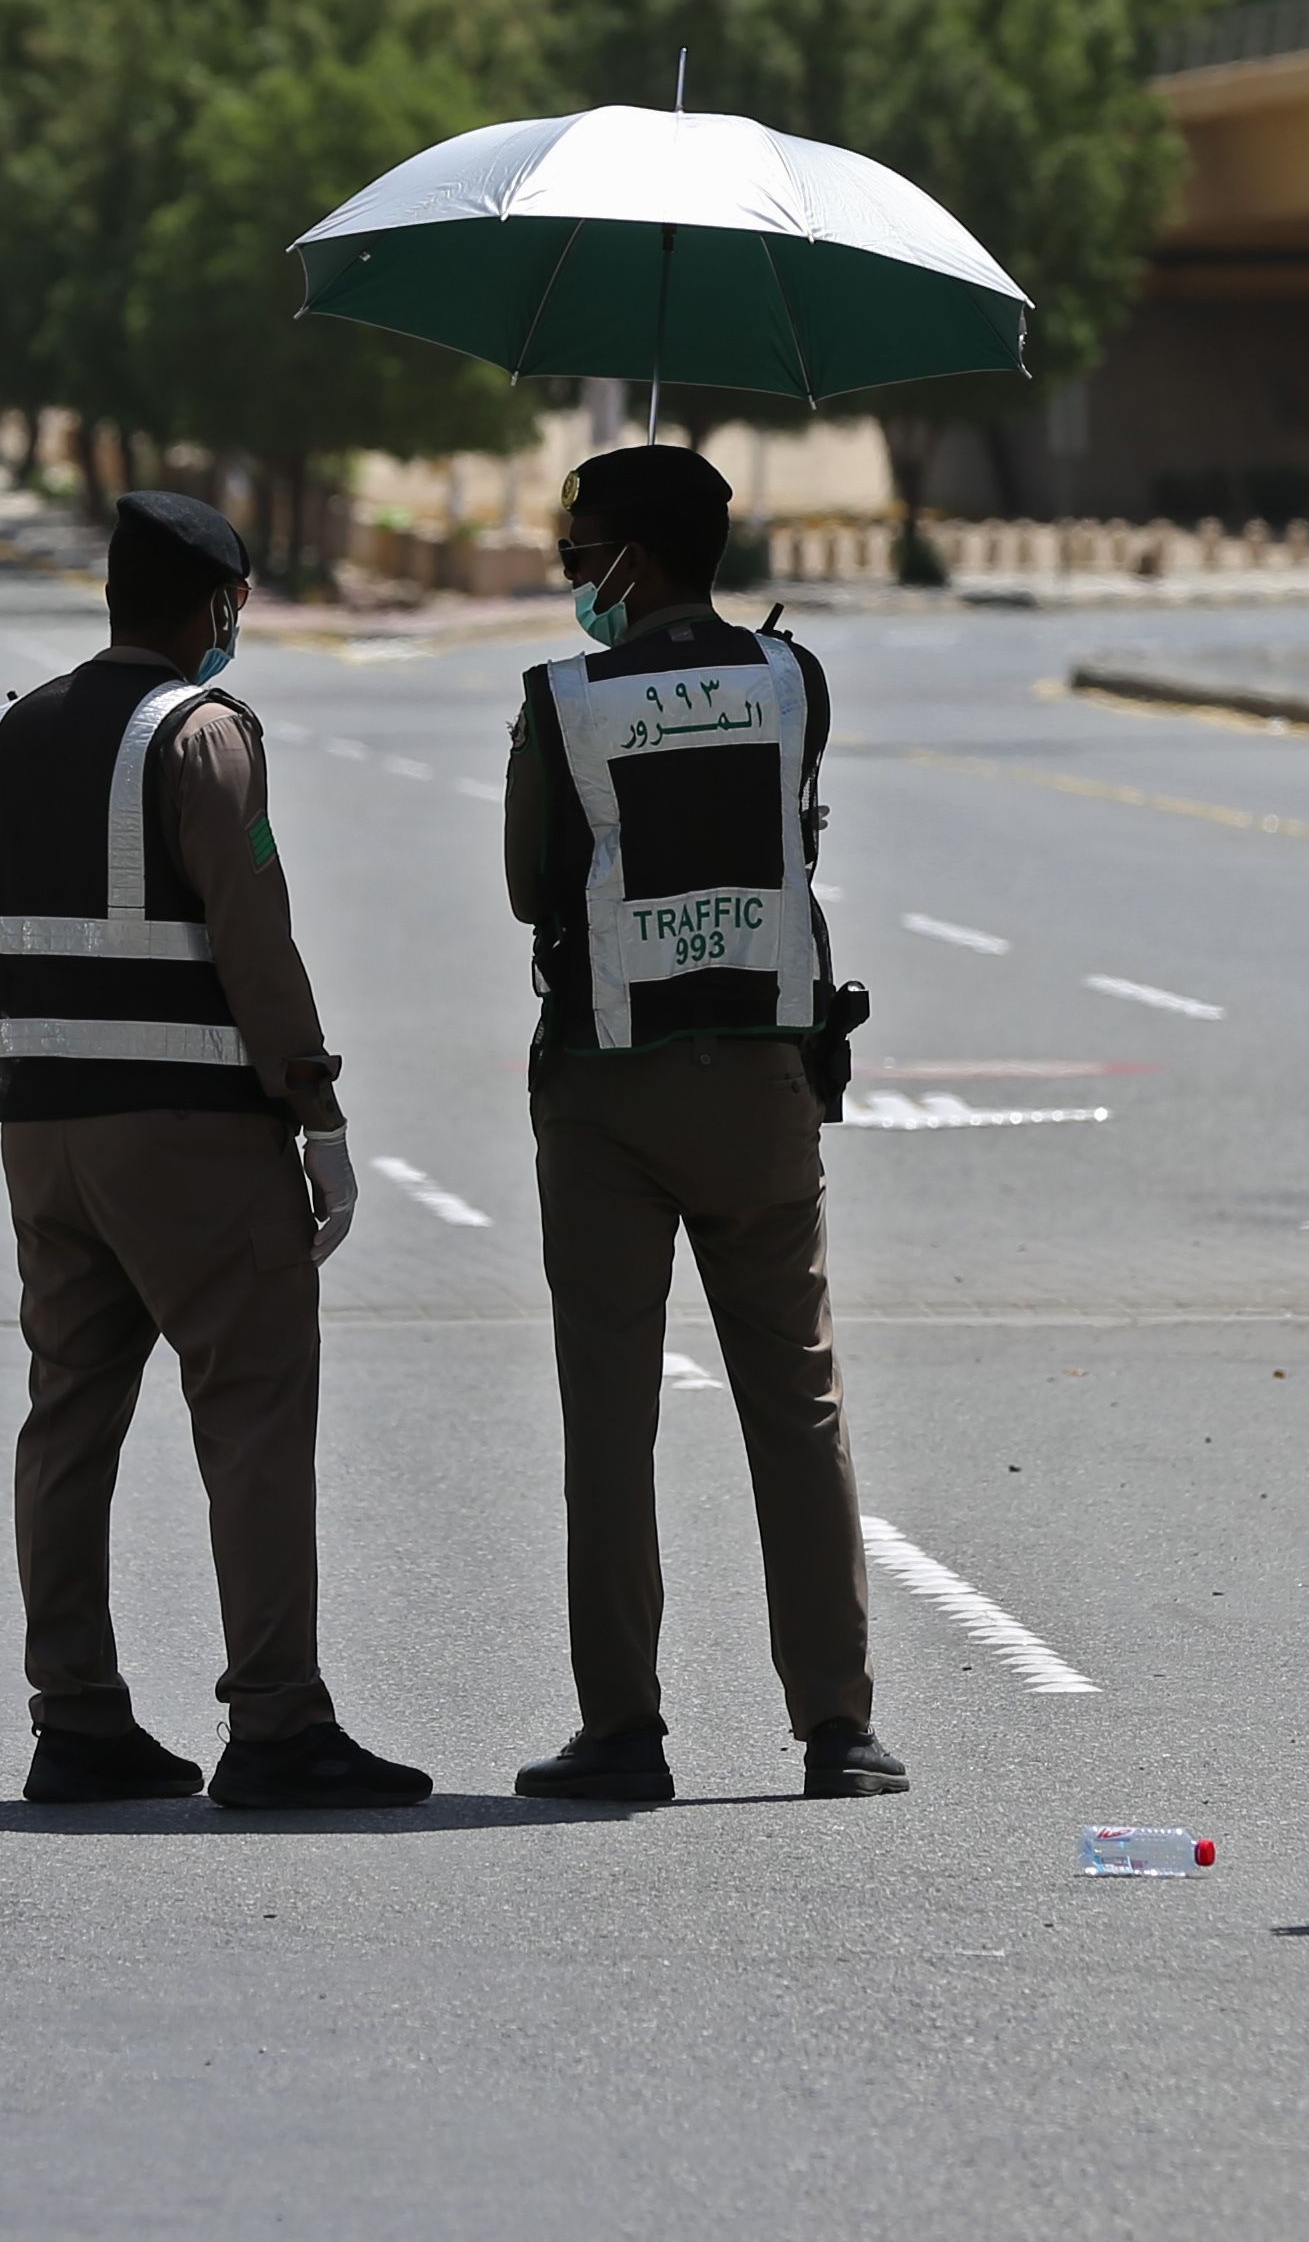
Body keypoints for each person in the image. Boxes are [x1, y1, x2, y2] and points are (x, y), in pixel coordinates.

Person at [0, 490, 432, 1812]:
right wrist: (314, 1108)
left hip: (43, 1131)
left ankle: (78, 1717)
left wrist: (72, 1023)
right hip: (195, 1139)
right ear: (216, 607)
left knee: (68, 1414)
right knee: (255, 1409)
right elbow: (253, 935)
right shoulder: (203, 735)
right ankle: (276, 1722)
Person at [502, 444, 903, 1804]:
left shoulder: (565, 701)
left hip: (610, 1081)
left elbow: (529, 881)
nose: (574, 583)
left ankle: (624, 1731)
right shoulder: (797, 680)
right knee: (796, 1397)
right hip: (761, 1074)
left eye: (581, 558)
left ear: (632, 559)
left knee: (610, 1417)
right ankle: (838, 1728)